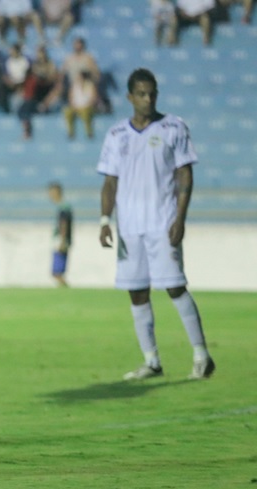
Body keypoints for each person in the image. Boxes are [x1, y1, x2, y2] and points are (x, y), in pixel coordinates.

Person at [98, 68, 215, 381]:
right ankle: (151, 361)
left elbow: (185, 175)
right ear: (129, 97)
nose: (148, 99)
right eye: (141, 93)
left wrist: (180, 217)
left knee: (175, 286)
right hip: (129, 227)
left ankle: (202, 355)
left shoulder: (173, 127)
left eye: (152, 93)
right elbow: (110, 182)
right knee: (136, 292)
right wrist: (105, 220)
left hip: (162, 222)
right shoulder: (116, 135)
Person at [47, 181, 72, 287]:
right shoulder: (64, 207)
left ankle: (66, 289)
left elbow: (64, 224)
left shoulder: (63, 207)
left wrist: (62, 240)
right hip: (63, 239)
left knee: (56, 272)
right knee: (57, 272)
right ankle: (63, 289)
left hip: (61, 240)